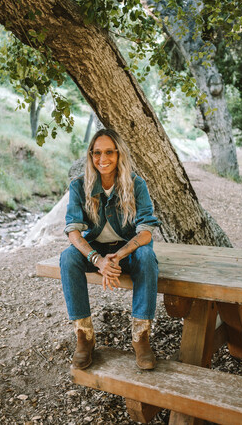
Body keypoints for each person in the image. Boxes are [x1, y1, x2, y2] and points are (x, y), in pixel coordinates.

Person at [60, 129, 160, 370]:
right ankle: (84, 337)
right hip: (95, 251)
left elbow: (146, 231)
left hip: (126, 251)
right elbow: (73, 232)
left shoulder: (136, 184)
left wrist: (119, 255)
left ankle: (141, 337)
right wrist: (98, 260)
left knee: (147, 256)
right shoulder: (79, 186)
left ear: (119, 154)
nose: (102, 159)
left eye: (108, 152)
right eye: (96, 153)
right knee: (67, 258)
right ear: (90, 155)